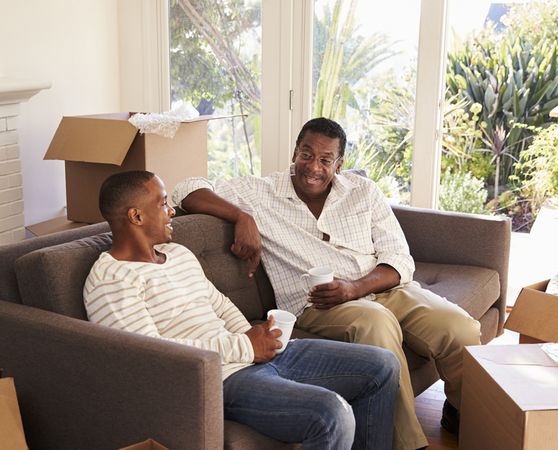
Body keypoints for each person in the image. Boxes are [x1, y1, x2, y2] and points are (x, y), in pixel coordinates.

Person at [172, 117, 482, 450]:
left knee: (458, 326)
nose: (314, 167)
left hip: (382, 287)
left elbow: (399, 258)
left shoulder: (363, 191)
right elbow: (184, 188)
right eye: (307, 154)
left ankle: (466, 414)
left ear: (339, 163)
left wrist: (357, 287)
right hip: (316, 305)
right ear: (295, 152)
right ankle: (406, 445)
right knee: (375, 323)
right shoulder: (260, 194)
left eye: (325, 159)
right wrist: (241, 216)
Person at [83, 170, 399, 450]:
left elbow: (219, 304)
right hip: (218, 379)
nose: (171, 210)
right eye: (163, 203)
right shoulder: (111, 280)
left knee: (383, 365)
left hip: (249, 356)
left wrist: (261, 340)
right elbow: (152, 357)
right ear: (136, 217)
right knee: (330, 414)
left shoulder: (176, 254)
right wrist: (245, 346)